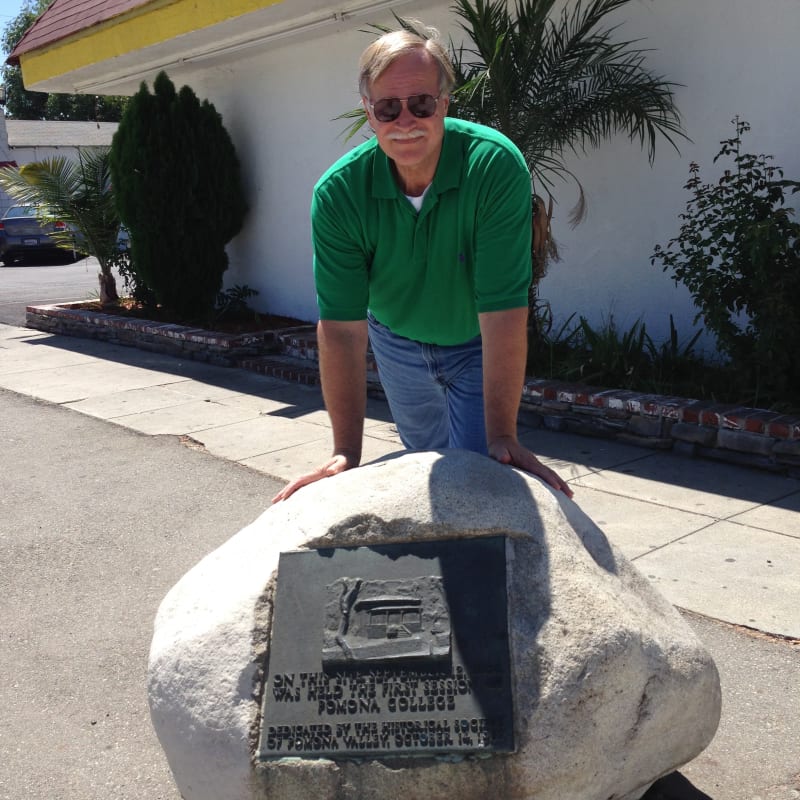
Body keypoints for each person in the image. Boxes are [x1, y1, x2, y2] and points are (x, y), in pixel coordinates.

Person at [273, 24, 572, 502]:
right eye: (388, 108)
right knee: (421, 472)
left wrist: (503, 435)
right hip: (397, 344)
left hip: (475, 341)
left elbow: (503, 310)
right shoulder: (339, 194)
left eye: (422, 104)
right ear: (369, 113)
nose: (405, 120)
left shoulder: (493, 166)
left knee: (478, 477)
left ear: (446, 102)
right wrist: (346, 451)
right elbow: (343, 329)